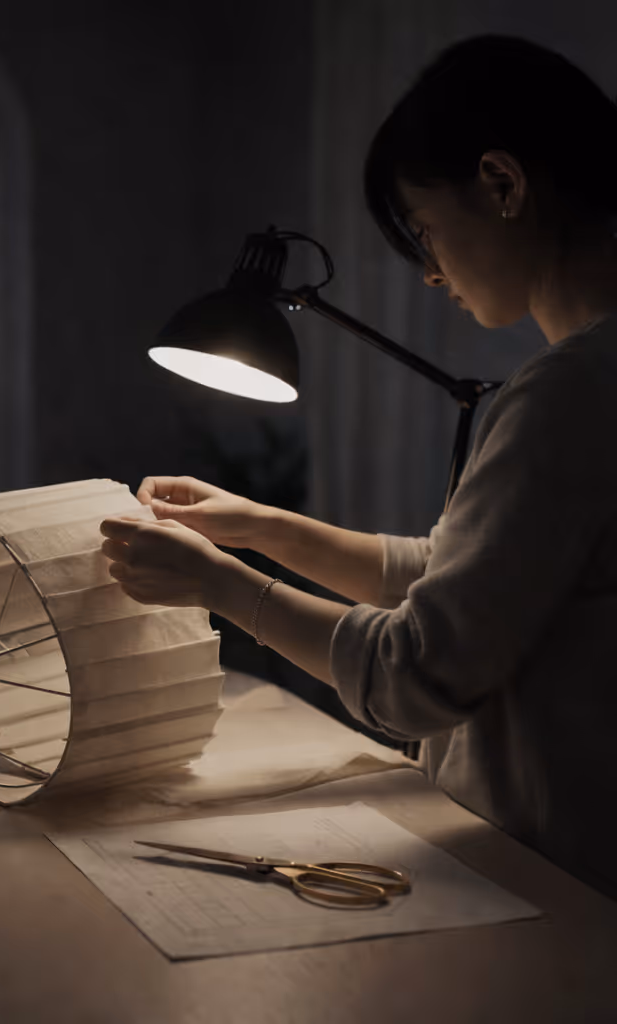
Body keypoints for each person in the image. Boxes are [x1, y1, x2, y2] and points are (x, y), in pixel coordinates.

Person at [100, 35, 617, 900]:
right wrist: (259, 527)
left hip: (554, 880)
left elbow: (418, 676)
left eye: (424, 232)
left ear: (502, 184)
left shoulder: (571, 392)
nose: (427, 273)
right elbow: (476, 580)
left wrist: (223, 585)